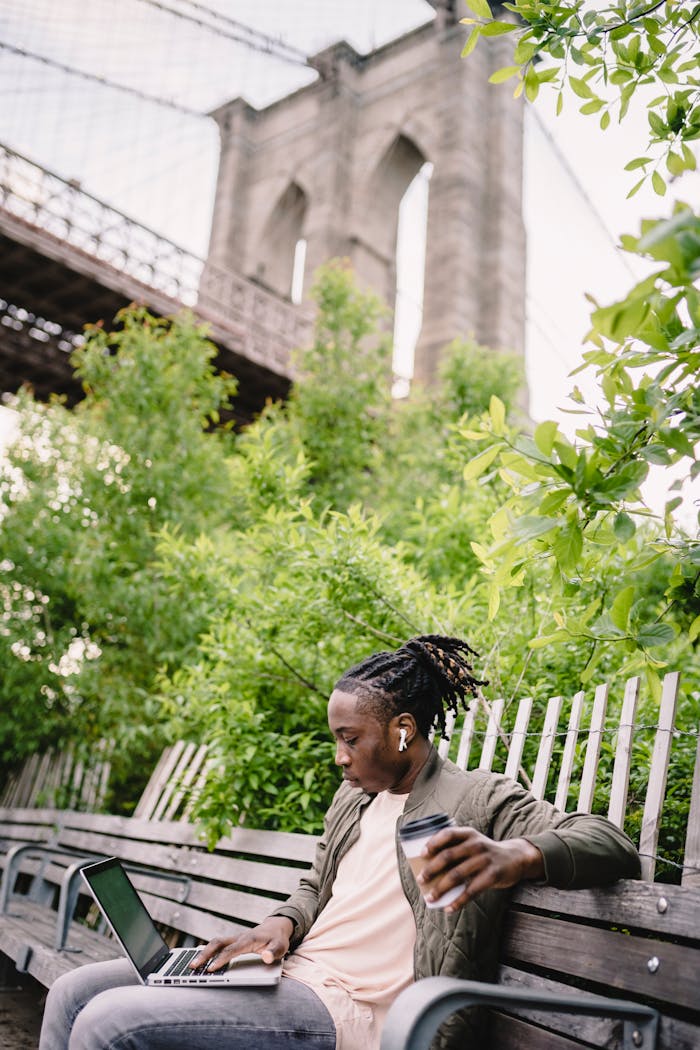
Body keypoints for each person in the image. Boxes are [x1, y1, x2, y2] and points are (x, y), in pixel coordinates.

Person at [40, 635, 640, 1050]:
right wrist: (281, 924)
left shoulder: (477, 797)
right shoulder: (355, 798)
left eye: (350, 738)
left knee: (112, 1024)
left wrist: (515, 856)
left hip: (356, 1011)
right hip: (294, 973)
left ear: (403, 731)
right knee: (74, 992)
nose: (340, 757)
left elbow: (610, 842)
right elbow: (315, 888)